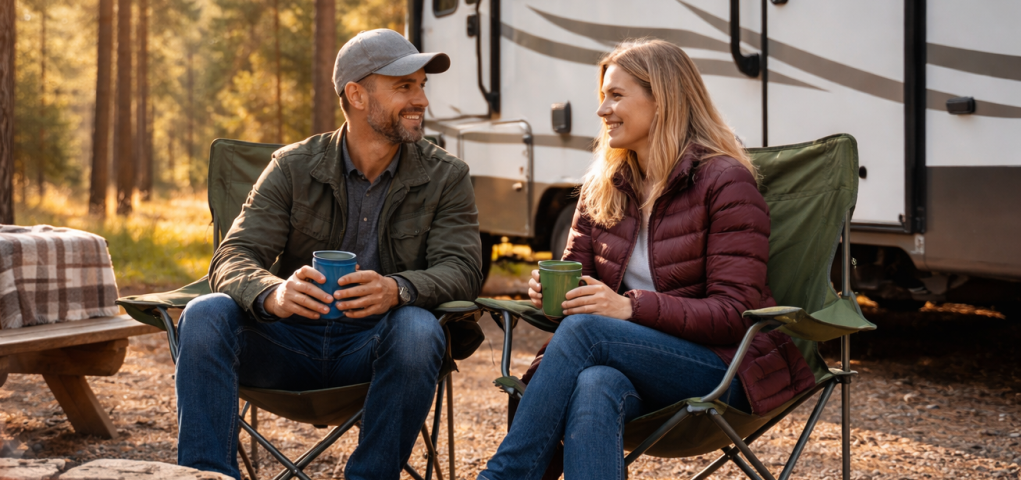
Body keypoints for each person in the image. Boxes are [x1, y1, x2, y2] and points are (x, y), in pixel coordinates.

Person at [478, 39, 816, 480]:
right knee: (594, 383)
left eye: (616, 95)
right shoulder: (604, 185)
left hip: (721, 368)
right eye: (603, 96)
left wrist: (629, 307)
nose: (602, 111)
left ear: (664, 100)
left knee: (586, 335)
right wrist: (552, 295)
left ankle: (502, 477)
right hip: (627, 365)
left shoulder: (725, 182)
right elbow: (577, 286)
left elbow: (736, 313)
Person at [175, 29, 482, 479]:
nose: (422, 100)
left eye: (421, 85)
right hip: (285, 343)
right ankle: (207, 476)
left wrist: (398, 289)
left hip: (377, 348)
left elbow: (464, 268)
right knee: (205, 313)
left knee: (418, 330)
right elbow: (233, 256)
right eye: (404, 87)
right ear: (356, 95)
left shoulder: (447, 175)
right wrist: (273, 294)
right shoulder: (293, 166)